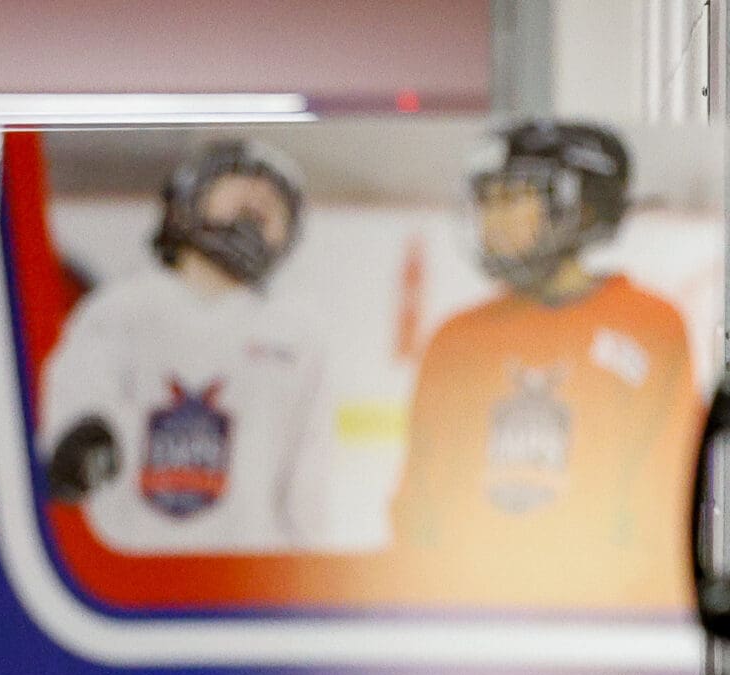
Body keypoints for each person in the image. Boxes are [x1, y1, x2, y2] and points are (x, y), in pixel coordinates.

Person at [389, 119, 698, 610]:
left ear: (579, 204)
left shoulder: (652, 326)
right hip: (469, 621)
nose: (493, 218)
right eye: (486, 200)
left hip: (605, 623)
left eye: (512, 197)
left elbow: (666, 493)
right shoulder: (455, 340)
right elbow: (419, 503)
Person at [38, 138, 332, 553]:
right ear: (187, 199)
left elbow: (309, 480)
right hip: (131, 574)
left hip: (246, 580)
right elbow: (76, 404)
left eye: (274, 203)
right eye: (241, 185)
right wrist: (82, 437)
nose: (258, 201)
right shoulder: (120, 310)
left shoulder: (298, 335)